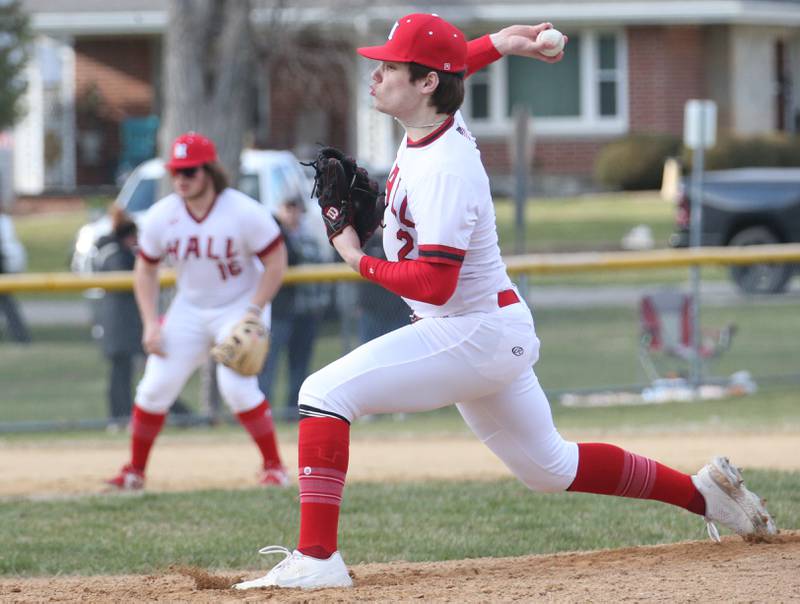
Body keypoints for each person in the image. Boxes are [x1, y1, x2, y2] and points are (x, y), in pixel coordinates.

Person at [234, 16, 776, 590]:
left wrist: (355, 257)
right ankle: (702, 494)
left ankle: (318, 558)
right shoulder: (432, 123)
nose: (375, 73)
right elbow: (452, 62)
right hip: (487, 328)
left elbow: (434, 284)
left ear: (423, 85)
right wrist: (504, 42)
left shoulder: (446, 168)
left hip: (471, 329)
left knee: (322, 393)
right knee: (551, 468)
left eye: (389, 66)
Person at [106, 132, 290, 490]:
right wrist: (150, 324)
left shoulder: (243, 211)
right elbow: (145, 269)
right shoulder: (163, 215)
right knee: (154, 387)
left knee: (236, 387)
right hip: (189, 307)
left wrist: (255, 310)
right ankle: (134, 472)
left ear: (209, 171)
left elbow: (275, 260)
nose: (182, 178)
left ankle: (274, 467)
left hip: (240, 304)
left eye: (190, 170)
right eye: (176, 171)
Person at [258, 195, 327, 422]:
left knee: (299, 364)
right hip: (279, 312)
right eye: (287, 208)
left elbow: (320, 266)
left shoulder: (310, 237)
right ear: (279, 209)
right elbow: (290, 259)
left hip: (306, 312)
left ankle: (292, 411)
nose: (291, 213)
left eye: (295, 209)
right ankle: (262, 412)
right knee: (269, 364)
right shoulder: (274, 236)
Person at [94, 206, 143, 428]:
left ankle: (124, 416)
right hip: (118, 323)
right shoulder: (115, 254)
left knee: (126, 373)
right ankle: (119, 417)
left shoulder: (112, 251)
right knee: (119, 373)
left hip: (121, 323)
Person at [355, 227, 409, 343]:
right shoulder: (366, 241)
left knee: (400, 351)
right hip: (371, 310)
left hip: (399, 309)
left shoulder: (401, 240)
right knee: (369, 353)